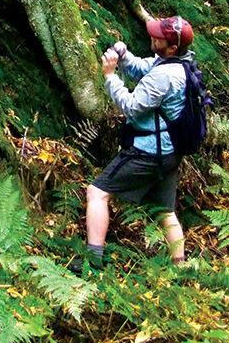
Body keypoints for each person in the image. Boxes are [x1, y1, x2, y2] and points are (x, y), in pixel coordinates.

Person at [77, 15, 196, 272]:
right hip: (170, 152)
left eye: (159, 37)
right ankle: (181, 269)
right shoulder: (179, 63)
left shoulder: (165, 76)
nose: (152, 37)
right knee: (165, 212)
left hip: (148, 152)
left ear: (172, 47)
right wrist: (124, 55)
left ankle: (92, 261)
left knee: (97, 193)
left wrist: (110, 76)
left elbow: (131, 106)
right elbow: (144, 67)